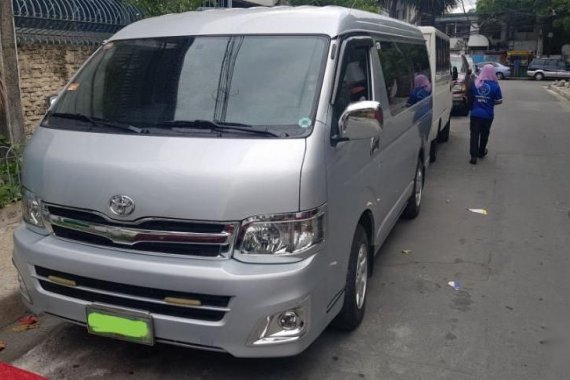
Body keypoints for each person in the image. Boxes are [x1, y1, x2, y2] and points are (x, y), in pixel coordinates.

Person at [468, 64, 503, 165]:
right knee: (484, 133)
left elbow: (470, 96)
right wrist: (490, 102)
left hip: (475, 114)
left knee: (474, 135)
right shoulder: (495, 86)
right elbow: (499, 101)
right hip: (488, 115)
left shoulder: (476, 83)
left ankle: (473, 156)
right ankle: (481, 152)